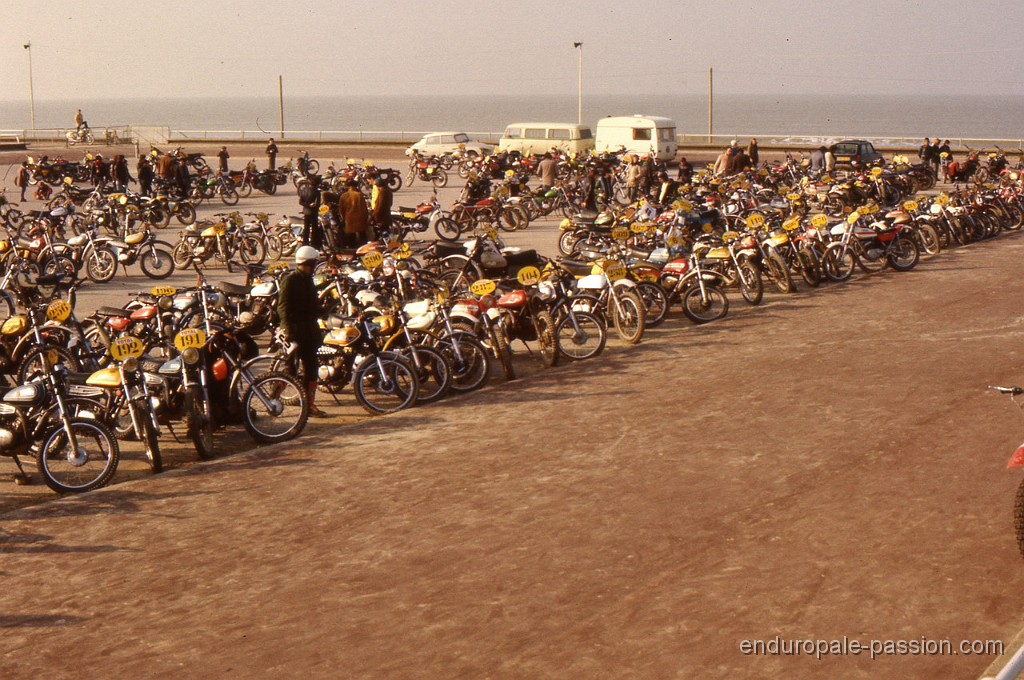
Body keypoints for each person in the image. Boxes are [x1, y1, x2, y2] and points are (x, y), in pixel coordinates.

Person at [277, 245, 329, 419]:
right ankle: (273, 398)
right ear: (308, 263)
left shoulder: (308, 280)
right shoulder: (290, 280)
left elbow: (312, 305)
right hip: (295, 330)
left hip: (309, 331)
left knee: (311, 368)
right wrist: (288, 329)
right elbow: (282, 307)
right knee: (290, 368)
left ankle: (309, 404)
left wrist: (324, 311)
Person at [338, 179, 370, 248]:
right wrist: (366, 218)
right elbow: (364, 209)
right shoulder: (359, 195)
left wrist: (344, 218)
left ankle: (353, 250)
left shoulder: (343, 196)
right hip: (360, 218)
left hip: (349, 219)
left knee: (351, 237)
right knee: (362, 236)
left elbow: (341, 210)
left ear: (348, 187)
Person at [297, 175, 323, 249]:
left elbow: (300, 201)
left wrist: (307, 205)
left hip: (306, 212)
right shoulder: (317, 192)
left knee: (306, 228)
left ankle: (305, 244)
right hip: (313, 212)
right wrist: (312, 205)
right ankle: (314, 245)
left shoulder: (304, 189)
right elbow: (318, 203)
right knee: (315, 229)